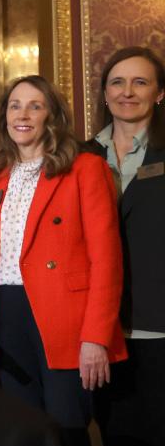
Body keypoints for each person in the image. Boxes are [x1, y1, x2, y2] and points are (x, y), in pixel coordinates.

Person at [0, 75, 127, 446]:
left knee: (66, 426)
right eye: (14, 105)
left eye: (35, 106)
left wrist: (95, 337)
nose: (22, 114)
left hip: (65, 317)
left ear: (51, 116)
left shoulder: (86, 169)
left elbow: (107, 259)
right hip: (6, 314)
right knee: (22, 428)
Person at [85, 47, 165, 446]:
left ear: (160, 93)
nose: (127, 92)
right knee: (116, 434)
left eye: (140, 82)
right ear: (104, 93)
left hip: (159, 326)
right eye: (117, 82)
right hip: (100, 332)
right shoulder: (79, 156)